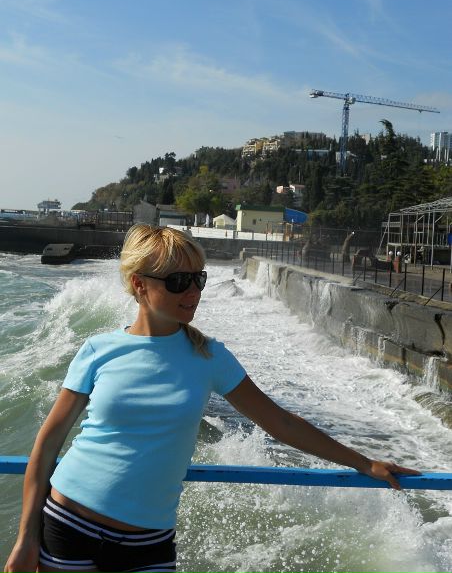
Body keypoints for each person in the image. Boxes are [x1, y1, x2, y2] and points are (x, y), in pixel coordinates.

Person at [5, 225, 419, 573]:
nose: (193, 292)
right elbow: (48, 443)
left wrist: (363, 462)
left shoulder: (210, 356)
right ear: (139, 284)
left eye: (198, 279)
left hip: (148, 542)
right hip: (69, 524)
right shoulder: (98, 350)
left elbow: (280, 423)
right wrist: (26, 538)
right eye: (178, 281)